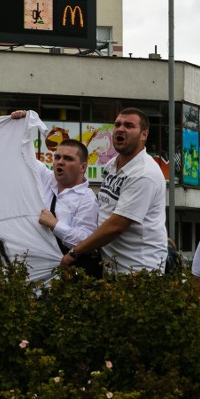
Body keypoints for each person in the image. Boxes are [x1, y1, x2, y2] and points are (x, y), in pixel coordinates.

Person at [62, 108, 167, 274]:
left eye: (129, 125)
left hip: (137, 272)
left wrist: (76, 252)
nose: (120, 129)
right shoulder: (112, 164)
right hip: (112, 268)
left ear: (144, 135)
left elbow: (117, 225)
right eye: (117, 124)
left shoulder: (145, 173)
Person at [11, 111, 101, 276]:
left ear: (83, 167)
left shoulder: (87, 200)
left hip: (64, 274)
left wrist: (55, 225)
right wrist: (20, 122)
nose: (60, 162)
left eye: (68, 159)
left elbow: (86, 240)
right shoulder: (44, 177)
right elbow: (21, 154)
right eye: (57, 157)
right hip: (31, 267)